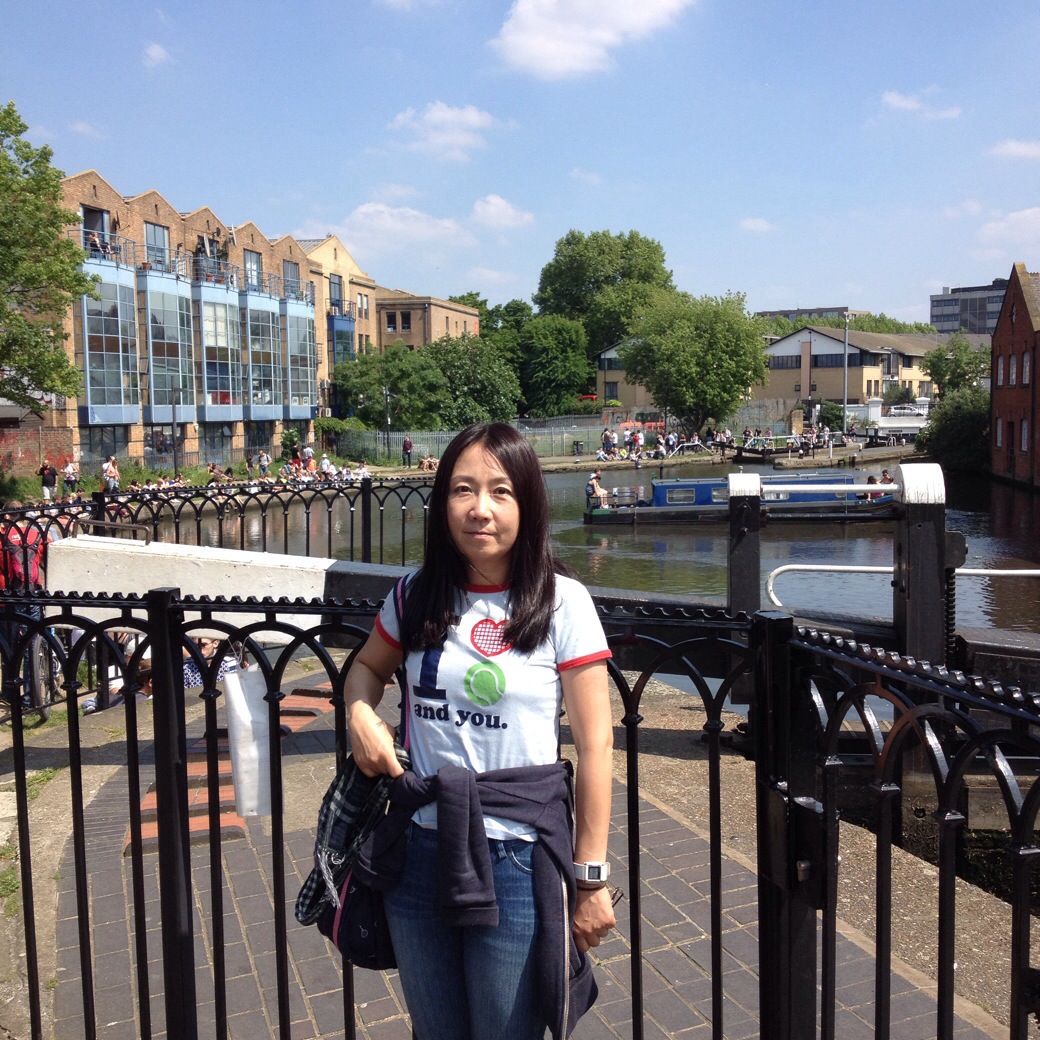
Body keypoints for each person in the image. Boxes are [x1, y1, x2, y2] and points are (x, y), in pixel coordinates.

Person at [344, 423, 615, 1040]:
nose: (480, 508)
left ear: (528, 504)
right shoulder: (414, 595)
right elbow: (366, 669)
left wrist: (589, 879)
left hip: (516, 857)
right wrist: (359, 712)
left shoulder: (563, 603)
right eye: (463, 489)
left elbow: (596, 746)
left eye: (500, 491)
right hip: (419, 847)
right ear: (443, 503)